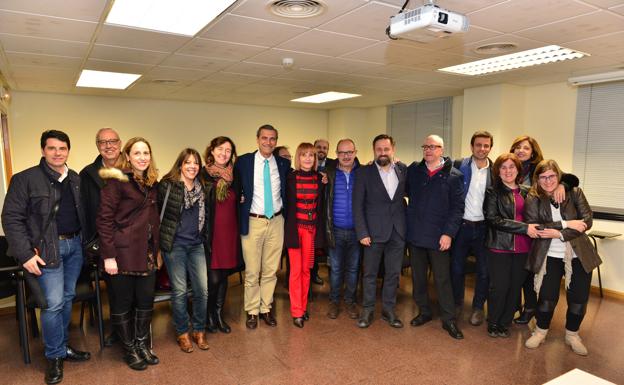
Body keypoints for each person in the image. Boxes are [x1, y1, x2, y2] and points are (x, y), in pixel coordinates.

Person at [2, 130, 90, 384]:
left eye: (62, 148)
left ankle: (62, 347)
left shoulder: (75, 179)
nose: (57, 153)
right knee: (52, 304)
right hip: (46, 253)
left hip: (74, 247)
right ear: (43, 150)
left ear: (68, 151)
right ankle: (54, 357)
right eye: (52, 148)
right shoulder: (25, 179)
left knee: (67, 298)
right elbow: (10, 218)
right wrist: (25, 253)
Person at [524, 159, 600, 355]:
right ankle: (541, 332)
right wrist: (567, 225)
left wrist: (559, 233)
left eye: (551, 176)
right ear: (537, 179)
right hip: (549, 255)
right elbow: (536, 226)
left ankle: (572, 335)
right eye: (543, 177)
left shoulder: (573, 193)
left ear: (558, 176)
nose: (547, 181)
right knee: (547, 299)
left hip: (578, 254)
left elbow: (586, 221)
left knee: (579, 300)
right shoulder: (533, 197)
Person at [97, 137, 160, 370]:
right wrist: (108, 256)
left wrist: (158, 250)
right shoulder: (117, 181)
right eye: (137, 153)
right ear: (128, 156)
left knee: (145, 301)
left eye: (146, 153)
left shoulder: (152, 183)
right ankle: (130, 349)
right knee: (123, 303)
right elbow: (104, 220)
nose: (142, 157)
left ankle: (142, 344)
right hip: (121, 254)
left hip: (147, 254)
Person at [510, 135, 579, 324]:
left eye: (526, 148)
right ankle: (514, 307)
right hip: (516, 227)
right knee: (515, 273)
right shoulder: (509, 167)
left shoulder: (541, 169)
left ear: (533, 152)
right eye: (517, 147)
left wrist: (563, 185)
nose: (521, 150)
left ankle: (531, 308)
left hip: (539, 229)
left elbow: (572, 178)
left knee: (530, 272)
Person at [406, 135, 464, 339]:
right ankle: (424, 311)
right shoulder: (414, 170)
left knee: (442, 279)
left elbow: (457, 209)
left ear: (441, 149)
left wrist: (448, 233)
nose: (428, 150)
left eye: (433, 147)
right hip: (415, 234)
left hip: (439, 237)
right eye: (425, 146)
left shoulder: (454, 175)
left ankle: (449, 319)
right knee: (418, 277)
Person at [235, 124, 290, 329]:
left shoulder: (283, 164)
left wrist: (322, 176)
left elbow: (295, 180)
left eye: (272, 139)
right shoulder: (244, 162)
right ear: (257, 139)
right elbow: (235, 187)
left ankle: (266, 308)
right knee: (252, 271)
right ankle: (251, 311)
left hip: (277, 221)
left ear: (276, 141)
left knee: (270, 270)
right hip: (253, 220)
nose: (268, 142)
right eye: (264, 138)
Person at [158, 148, 210, 353]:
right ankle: (182, 333)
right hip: (175, 246)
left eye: (196, 163)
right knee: (179, 292)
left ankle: (199, 330)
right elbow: (157, 215)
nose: (192, 166)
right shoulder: (168, 186)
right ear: (180, 164)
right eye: (188, 162)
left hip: (196, 245)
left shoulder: (202, 187)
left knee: (202, 291)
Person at [353, 134, 406, 329]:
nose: (383, 153)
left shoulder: (402, 169)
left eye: (386, 149)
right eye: (379, 149)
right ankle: (367, 310)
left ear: (393, 150)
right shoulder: (364, 173)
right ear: (374, 150)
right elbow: (357, 206)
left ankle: (388, 310)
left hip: (397, 231)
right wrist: (362, 232)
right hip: (372, 233)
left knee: (393, 273)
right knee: (370, 274)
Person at [483, 153, 537, 338]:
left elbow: (558, 181)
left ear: (518, 170)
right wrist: (524, 228)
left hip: (524, 248)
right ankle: (493, 321)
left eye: (511, 167)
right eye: (503, 167)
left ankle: (504, 323)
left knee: (515, 287)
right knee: (499, 286)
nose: (508, 171)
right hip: (499, 246)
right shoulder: (492, 192)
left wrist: (564, 184)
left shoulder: (528, 191)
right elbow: (493, 219)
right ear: (497, 171)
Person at [79, 127, 122, 347]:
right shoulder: (87, 174)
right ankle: (118, 329)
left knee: (135, 286)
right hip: (105, 240)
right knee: (114, 289)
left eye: (113, 141)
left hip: (132, 240)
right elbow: (85, 211)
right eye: (103, 142)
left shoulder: (134, 166)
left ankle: (136, 325)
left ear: (120, 143)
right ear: (97, 146)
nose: (108, 145)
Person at [451, 131, 493, 326]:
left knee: (484, 271)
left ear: (490, 148)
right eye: (478, 145)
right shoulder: (459, 165)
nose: (482, 149)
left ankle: (478, 308)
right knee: (457, 268)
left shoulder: (495, 171)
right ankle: (457, 303)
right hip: (461, 226)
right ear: (472, 146)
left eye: (486, 145)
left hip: (484, 228)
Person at [201, 136, 242, 334]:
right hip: (212, 234)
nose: (224, 153)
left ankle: (218, 315)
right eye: (220, 149)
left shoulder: (234, 176)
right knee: (213, 278)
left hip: (230, 233)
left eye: (228, 150)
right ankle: (208, 315)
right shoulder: (202, 175)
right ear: (211, 151)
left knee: (224, 276)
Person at [285, 143, 325, 327]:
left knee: (306, 270)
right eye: (304, 155)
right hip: (295, 230)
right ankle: (296, 311)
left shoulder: (320, 179)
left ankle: (303, 306)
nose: (308, 158)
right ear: (298, 157)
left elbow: (322, 206)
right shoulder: (290, 178)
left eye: (311, 155)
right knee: (295, 272)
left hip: (311, 231)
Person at [325, 139, 361, 320]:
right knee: (336, 269)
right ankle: (334, 301)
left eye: (349, 152)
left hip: (357, 231)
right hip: (336, 230)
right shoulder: (328, 173)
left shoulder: (363, 173)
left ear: (355, 152)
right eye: (341, 152)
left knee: (353, 269)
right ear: (336, 154)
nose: (346, 156)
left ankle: (350, 302)